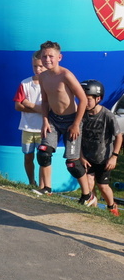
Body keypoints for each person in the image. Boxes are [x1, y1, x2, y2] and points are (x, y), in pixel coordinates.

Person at [36, 40, 88, 195]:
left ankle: (87, 195)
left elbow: (83, 99)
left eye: (51, 56)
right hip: (53, 119)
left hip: (72, 120)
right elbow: (45, 101)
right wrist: (45, 120)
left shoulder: (66, 75)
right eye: (44, 56)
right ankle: (47, 188)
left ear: (59, 57)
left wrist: (76, 124)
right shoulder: (43, 76)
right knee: (44, 152)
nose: (47, 60)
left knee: (72, 164)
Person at [78, 80, 121, 216]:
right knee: (89, 184)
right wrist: (81, 156)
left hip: (104, 158)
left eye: (88, 99)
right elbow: (76, 137)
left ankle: (112, 206)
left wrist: (114, 157)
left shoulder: (107, 115)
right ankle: (92, 211)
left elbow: (119, 136)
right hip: (87, 157)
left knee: (103, 186)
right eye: (82, 98)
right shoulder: (81, 114)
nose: (85, 102)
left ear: (98, 99)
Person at [14, 50, 52, 194]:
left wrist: (30, 105)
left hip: (44, 128)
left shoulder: (50, 83)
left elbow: (51, 108)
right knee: (28, 156)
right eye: (35, 66)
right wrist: (40, 109)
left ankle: (44, 186)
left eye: (41, 66)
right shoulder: (25, 84)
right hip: (28, 128)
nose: (38, 69)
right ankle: (31, 182)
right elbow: (18, 105)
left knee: (44, 158)